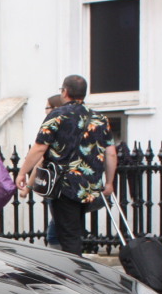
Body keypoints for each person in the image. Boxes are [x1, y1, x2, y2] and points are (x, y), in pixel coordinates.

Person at [15, 74, 117, 255]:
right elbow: (110, 153)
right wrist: (109, 182)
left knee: (68, 237)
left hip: (64, 186)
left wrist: (23, 172)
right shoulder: (99, 118)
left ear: (65, 92)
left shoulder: (57, 115)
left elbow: (39, 147)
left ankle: (73, 277)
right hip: (88, 185)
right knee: (74, 231)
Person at [42, 93, 65, 249]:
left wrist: (27, 181)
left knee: (56, 226)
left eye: (47, 107)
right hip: (75, 182)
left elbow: (40, 151)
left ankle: (57, 259)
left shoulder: (52, 124)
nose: (45, 111)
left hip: (56, 181)